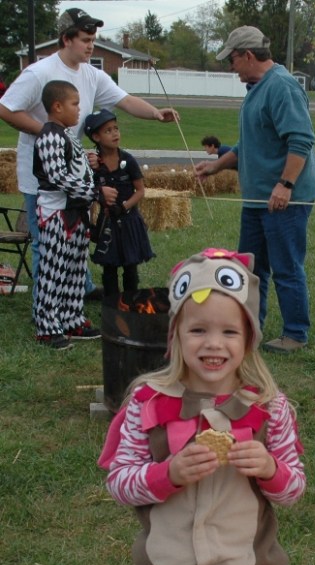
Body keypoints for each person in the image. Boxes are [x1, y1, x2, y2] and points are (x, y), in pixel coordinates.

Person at [98, 248, 306, 565]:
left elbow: (294, 488)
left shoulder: (268, 409)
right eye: (198, 331)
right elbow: (119, 481)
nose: (214, 344)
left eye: (229, 332)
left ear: (249, 338)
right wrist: (166, 474)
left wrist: (270, 468)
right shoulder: (147, 405)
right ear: (175, 335)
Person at [0, 7, 178, 308]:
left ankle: (78, 291)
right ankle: (46, 308)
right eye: (85, 39)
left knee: (76, 238)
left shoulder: (92, 74)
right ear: (66, 39)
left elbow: (124, 99)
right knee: (47, 243)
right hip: (41, 177)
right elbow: (6, 108)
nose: (91, 45)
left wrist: (155, 114)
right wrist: (49, 131)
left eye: (93, 39)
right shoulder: (38, 73)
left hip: (75, 176)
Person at [195, 26, 315, 354]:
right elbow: (247, 145)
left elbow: (301, 140)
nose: (231, 67)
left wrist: (285, 186)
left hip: (283, 200)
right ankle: (251, 328)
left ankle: (295, 334)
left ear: (249, 55)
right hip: (255, 199)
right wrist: (215, 166)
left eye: (233, 60)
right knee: (249, 268)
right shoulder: (256, 88)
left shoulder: (281, 87)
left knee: (285, 266)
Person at [33, 80, 98, 349]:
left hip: (76, 214)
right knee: (53, 271)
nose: (79, 110)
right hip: (57, 214)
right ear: (57, 106)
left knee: (74, 269)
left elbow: (76, 168)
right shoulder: (50, 135)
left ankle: (71, 318)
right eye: (75, 104)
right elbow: (57, 176)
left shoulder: (68, 135)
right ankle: (47, 325)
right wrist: (94, 191)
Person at [84, 109, 155, 297]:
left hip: (129, 220)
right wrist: (92, 221)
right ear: (96, 137)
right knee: (110, 266)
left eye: (116, 128)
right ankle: (112, 304)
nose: (115, 133)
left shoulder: (128, 160)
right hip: (107, 223)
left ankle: (131, 303)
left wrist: (123, 207)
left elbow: (140, 191)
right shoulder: (94, 164)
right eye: (108, 131)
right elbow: (91, 194)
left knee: (130, 266)